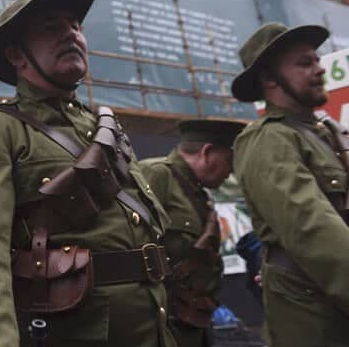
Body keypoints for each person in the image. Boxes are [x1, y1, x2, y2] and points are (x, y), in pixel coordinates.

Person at [0, 0, 176, 347]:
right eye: (50, 26)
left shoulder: (105, 130)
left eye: (75, 25)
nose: (70, 33)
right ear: (17, 55)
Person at [231, 22, 349, 347]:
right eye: (304, 63)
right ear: (270, 79)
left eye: (316, 59)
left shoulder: (329, 135)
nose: (319, 69)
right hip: (317, 323)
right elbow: (312, 229)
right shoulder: (267, 139)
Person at [139, 119, 245, 347]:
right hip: (162, 322)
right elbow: (133, 244)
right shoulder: (156, 174)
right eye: (230, 160)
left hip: (191, 319)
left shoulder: (198, 194)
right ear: (207, 152)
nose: (231, 171)